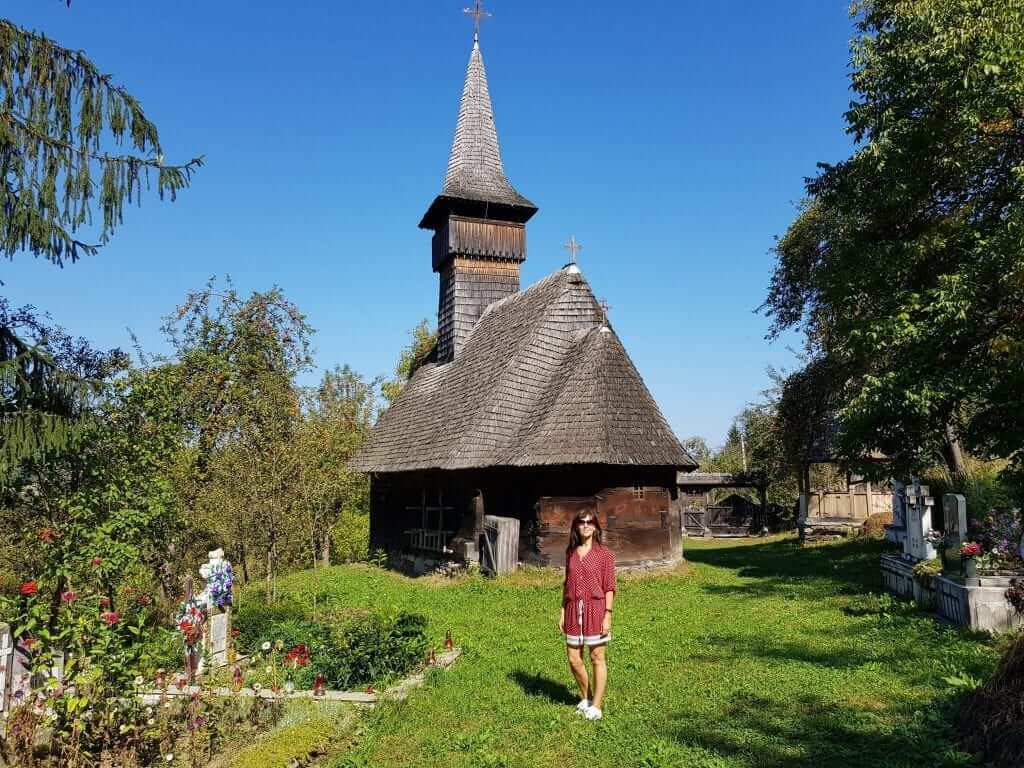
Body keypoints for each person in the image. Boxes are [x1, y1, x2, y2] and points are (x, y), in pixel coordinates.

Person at [559, 511, 616, 720]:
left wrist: (607, 615)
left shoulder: (604, 554)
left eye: (589, 522)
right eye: (581, 522)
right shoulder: (571, 553)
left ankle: (597, 706)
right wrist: (563, 611)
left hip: (596, 609)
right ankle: (586, 697)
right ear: (576, 527)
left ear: (596, 527)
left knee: (596, 657)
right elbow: (567, 584)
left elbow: (609, 586)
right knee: (574, 658)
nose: (585, 525)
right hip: (573, 609)